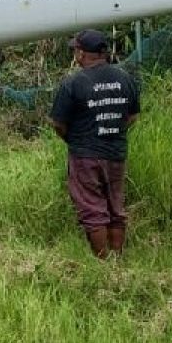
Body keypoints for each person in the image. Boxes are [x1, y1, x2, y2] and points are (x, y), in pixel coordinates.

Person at [49, 29, 140, 259]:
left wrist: (74, 139)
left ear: (81, 53)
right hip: (116, 152)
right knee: (115, 208)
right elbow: (132, 116)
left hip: (85, 156)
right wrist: (114, 131)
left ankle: (102, 263)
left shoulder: (74, 83)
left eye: (76, 50)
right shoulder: (125, 78)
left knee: (92, 208)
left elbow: (57, 123)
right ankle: (116, 260)